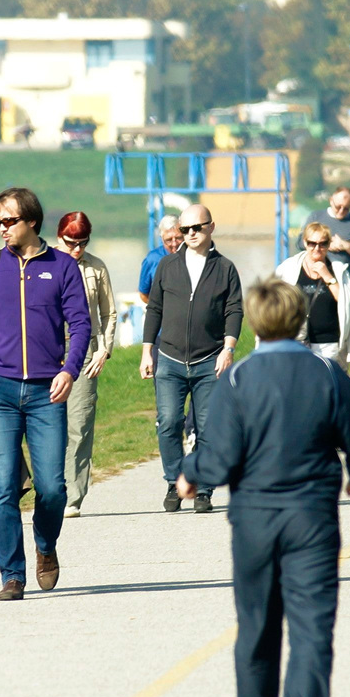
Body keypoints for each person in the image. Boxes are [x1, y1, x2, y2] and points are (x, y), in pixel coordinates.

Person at [176, 278, 350, 697]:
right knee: (312, 621)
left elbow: (221, 456)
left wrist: (190, 474)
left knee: (257, 622)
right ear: (300, 320)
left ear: (253, 323)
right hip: (312, 515)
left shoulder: (237, 379)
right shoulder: (326, 372)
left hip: (254, 518)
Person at [0, 187, 91, 601]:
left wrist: (69, 370)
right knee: (3, 487)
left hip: (47, 393)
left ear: (31, 220)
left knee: (53, 488)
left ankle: (45, 547)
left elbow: (81, 325)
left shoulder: (63, 267)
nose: (2, 228)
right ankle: (12, 575)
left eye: (8, 221)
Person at [141, 203, 244, 514]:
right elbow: (154, 308)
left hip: (209, 359)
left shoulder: (224, 268)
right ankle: (175, 480)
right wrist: (147, 350)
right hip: (169, 358)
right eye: (185, 230)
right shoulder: (167, 266)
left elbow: (234, 309)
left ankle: (204, 489)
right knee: (169, 421)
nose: (191, 234)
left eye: (197, 228)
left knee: (208, 426)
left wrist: (228, 349)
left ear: (211, 227)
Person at [56, 212, 117, 517]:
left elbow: (109, 313)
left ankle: (72, 496)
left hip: (86, 352)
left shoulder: (96, 268)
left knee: (79, 425)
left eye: (83, 243)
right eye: (71, 243)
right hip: (49, 351)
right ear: (59, 238)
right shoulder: (45, 264)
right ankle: (49, 489)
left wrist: (103, 349)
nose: (77, 249)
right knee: (49, 426)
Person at [275, 221, 350, 362]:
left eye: (323, 244)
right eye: (312, 243)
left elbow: (344, 301)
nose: (317, 248)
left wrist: (327, 276)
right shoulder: (288, 268)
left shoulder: (338, 270)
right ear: (305, 243)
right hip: (296, 340)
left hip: (328, 342)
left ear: (329, 244)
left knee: (326, 382)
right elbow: (275, 301)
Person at [299, 186, 350, 294]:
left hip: (343, 276)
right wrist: (325, 245)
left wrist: (345, 245)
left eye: (346, 208)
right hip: (314, 273)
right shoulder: (315, 217)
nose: (341, 211)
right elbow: (300, 243)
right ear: (331, 200)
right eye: (338, 207)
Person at [137, 215, 181, 304]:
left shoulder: (193, 255)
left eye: (178, 238)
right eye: (168, 240)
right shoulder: (152, 259)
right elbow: (143, 294)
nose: (174, 244)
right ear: (162, 239)